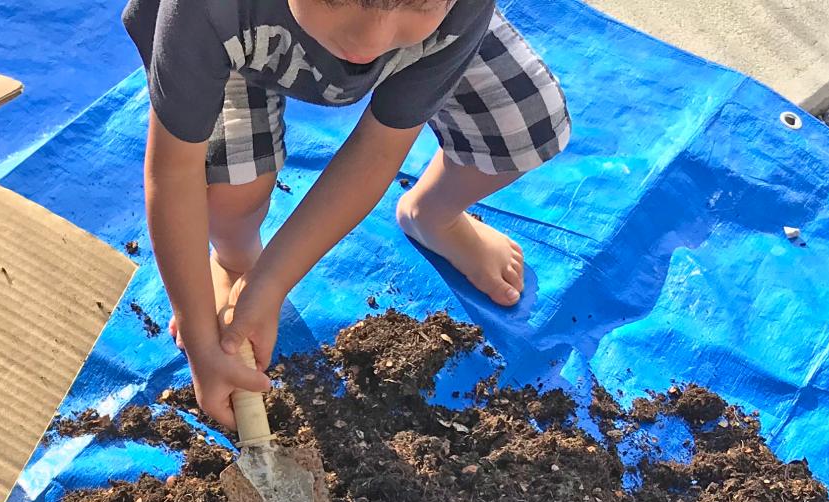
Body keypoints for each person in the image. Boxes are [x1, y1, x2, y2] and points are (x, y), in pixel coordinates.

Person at [124, 0, 568, 426]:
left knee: (525, 121)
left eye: (417, 2)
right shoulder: (204, 9)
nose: (372, 38)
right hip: (240, 40)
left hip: (434, 34)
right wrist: (203, 342)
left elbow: (378, 149)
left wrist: (275, 281)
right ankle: (232, 258)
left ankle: (434, 213)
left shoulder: (451, 10)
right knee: (228, 194)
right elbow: (174, 172)